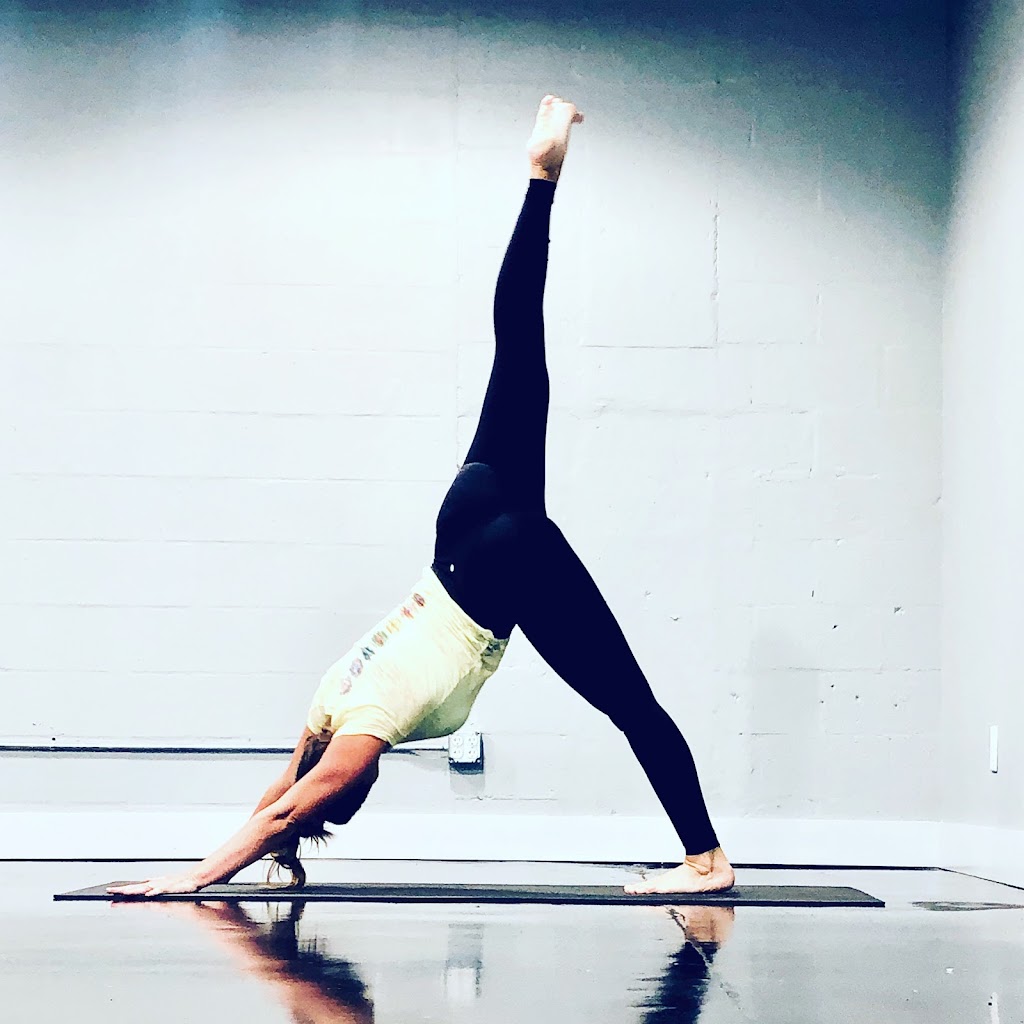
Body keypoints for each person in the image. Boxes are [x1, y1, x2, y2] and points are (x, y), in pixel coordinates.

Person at [108, 95, 735, 900]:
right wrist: (265, 847)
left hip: (496, 569)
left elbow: (283, 810)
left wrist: (193, 878)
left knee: (632, 707)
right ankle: (540, 177)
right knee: (518, 338)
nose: (349, 789)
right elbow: (278, 799)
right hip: (458, 526)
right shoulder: (327, 701)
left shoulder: (361, 738)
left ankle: (707, 862)